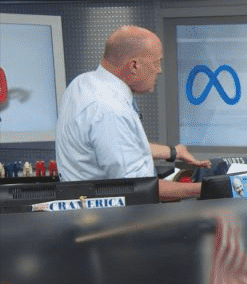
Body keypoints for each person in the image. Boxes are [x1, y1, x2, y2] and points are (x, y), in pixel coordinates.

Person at [56, 25, 211, 201]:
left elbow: (118, 145)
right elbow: (138, 189)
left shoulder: (82, 83)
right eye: (156, 63)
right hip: (115, 214)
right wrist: (210, 187)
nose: (159, 70)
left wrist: (173, 152)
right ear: (134, 65)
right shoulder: (109, 109)